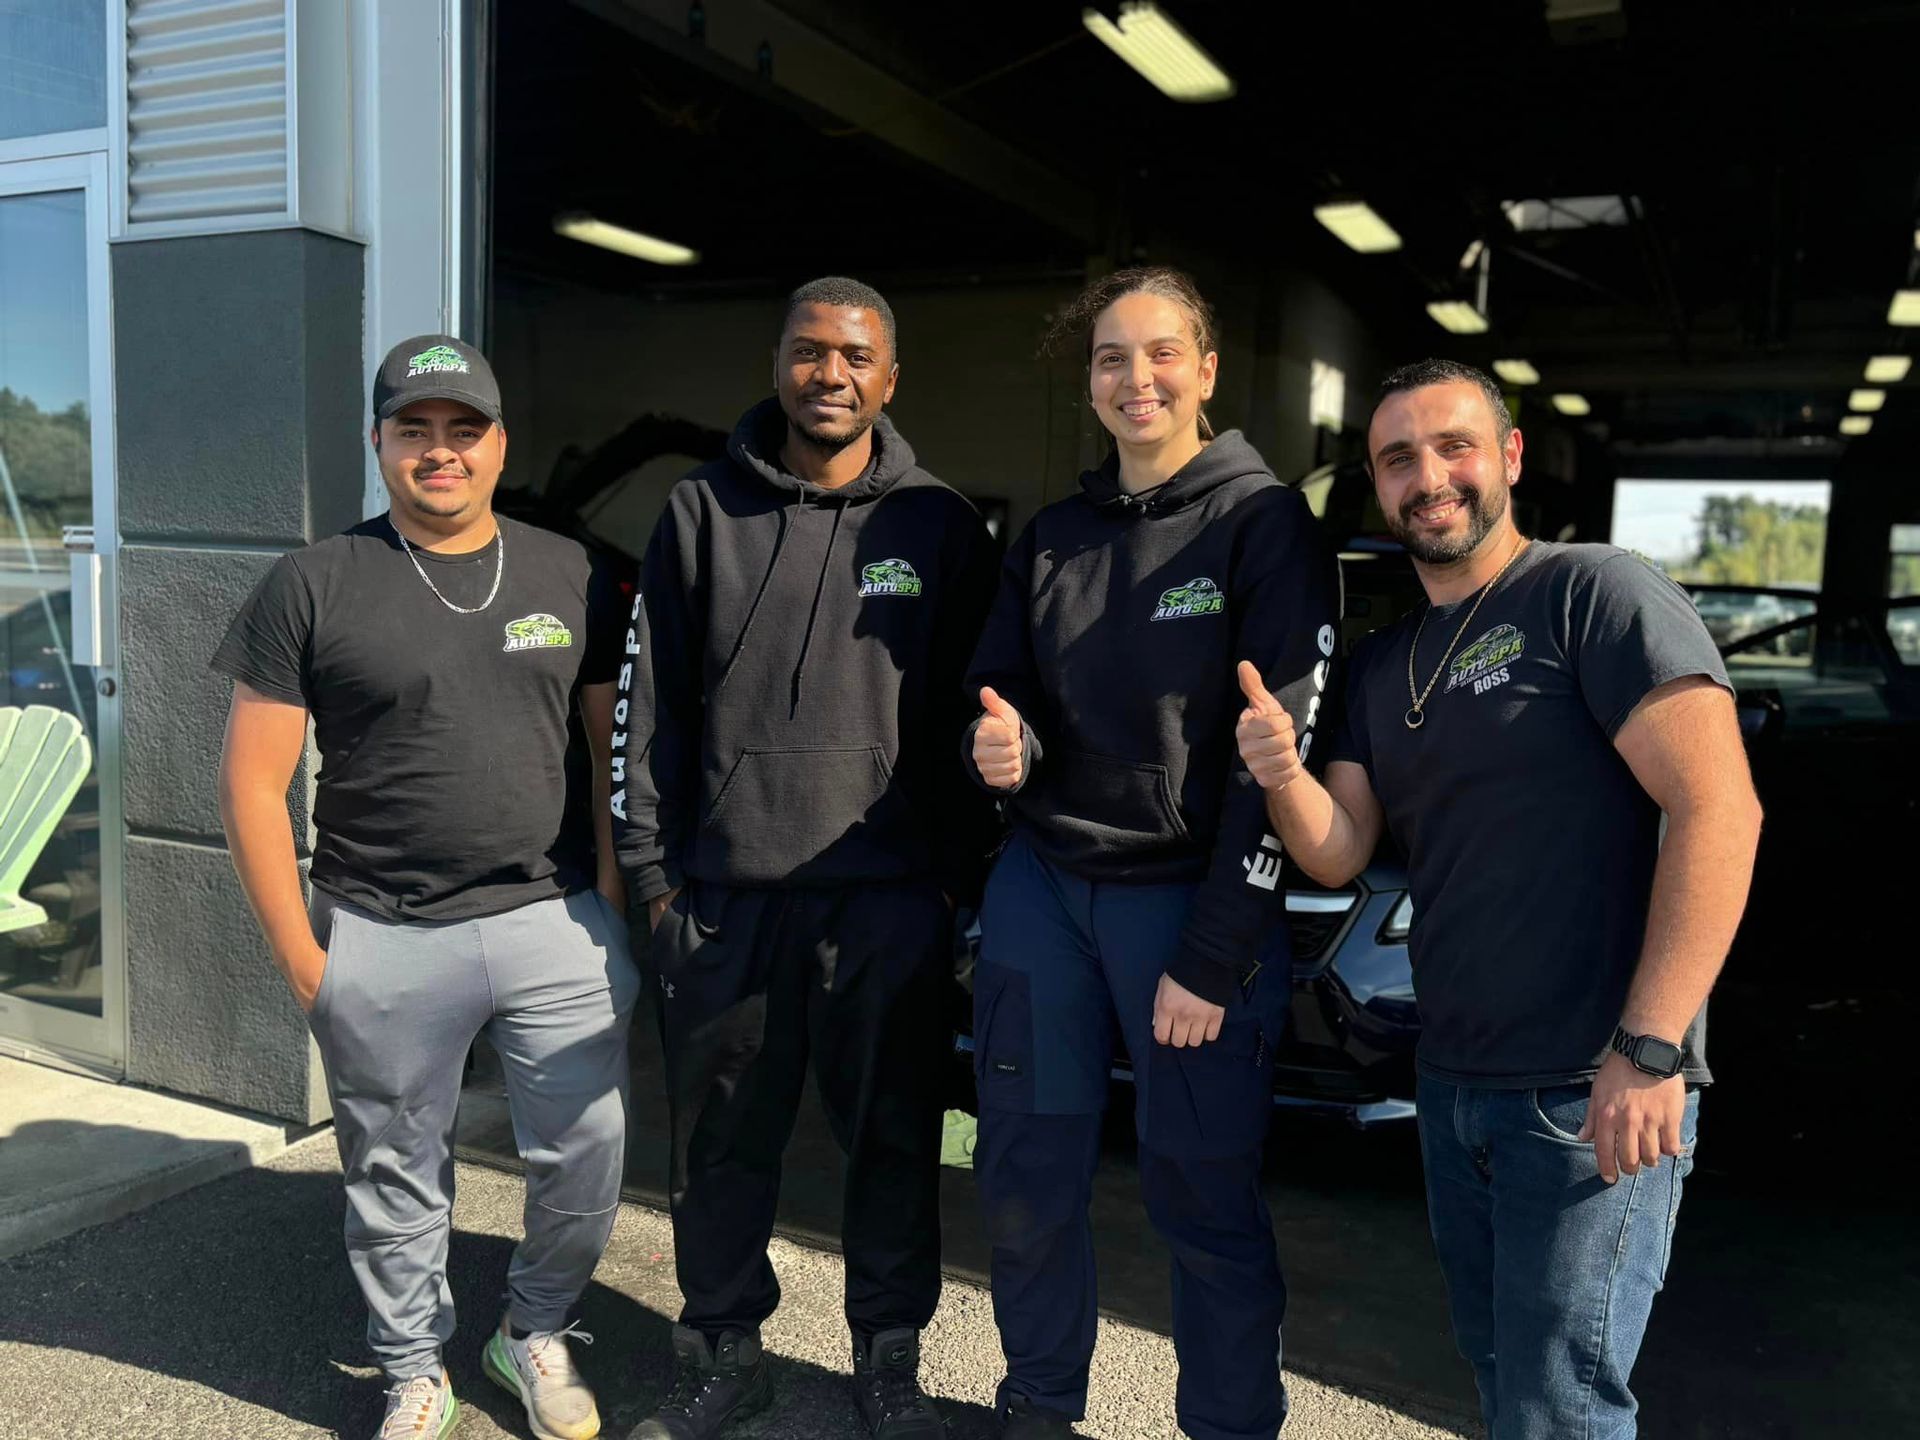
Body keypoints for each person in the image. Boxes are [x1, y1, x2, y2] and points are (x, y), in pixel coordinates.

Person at [1234, 358, 1763, 1439]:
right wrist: (1282, 771)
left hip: (1586, 1089)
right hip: (1456, 1084)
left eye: (1453, 446)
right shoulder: (1389, 666)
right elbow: (1337, 854)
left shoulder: (1592, 593)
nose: (1429, 477)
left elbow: (1719, 810)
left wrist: (1654, 1046)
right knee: (1499, 1376)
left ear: (1510, 456)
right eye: (1398, 459)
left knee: (1558, 1405)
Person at [214, 334, 637, 1440]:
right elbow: (252, 788)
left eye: (463, 430)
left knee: (587, 1154)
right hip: (383, 924)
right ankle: (414, 1368)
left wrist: (610, 901)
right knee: (396, 1175)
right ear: (380, 443)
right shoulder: (313, 582)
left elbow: (607, 752)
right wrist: (309, 965)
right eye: (415, 430)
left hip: (552, 919)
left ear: (499, 444)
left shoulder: (571, 571)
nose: (439, 453)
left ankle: (532, 1330)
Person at [613, 277, 1000, 1440]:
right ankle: (726, 1351)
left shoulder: (938, 527)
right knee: (723, 1147)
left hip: (888, 909)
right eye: (809, 351)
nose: (830, 374)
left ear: (891, 379)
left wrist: (951, 888)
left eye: (856, 356)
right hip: (727, 901)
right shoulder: (696, 514)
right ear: (780, 362)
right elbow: (650, 711)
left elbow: (976, 716)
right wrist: (656, 884)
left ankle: (889, 1363)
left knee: (891, 1143)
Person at [962, 267, 1339, 1440]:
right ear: (1090, 381)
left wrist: (1218, 952)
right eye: (1113, 358)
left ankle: (1230, 1425)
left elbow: (1278, 761)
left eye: (1163, 353)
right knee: (1024, 1176)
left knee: (1200, 1195)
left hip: (1184, 909)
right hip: (1044, 893)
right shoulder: (1056, 535)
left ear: (1208, 372)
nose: (1138, 379)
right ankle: (1038, 1404)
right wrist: (1003, 740)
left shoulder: (1265, 528)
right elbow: (1005, 683)